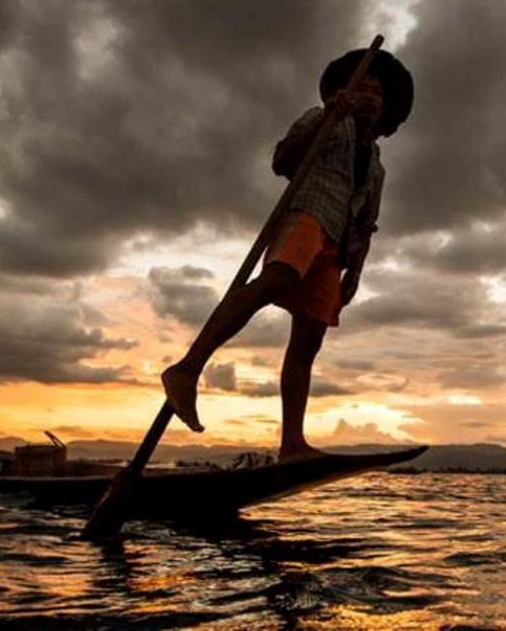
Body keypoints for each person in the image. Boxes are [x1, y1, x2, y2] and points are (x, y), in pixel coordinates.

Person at [161, 48, 414, 460]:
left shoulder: (378, 167)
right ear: (347, 91)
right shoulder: (324, 120)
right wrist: (330, 115)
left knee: (308, 339)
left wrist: (356, 272)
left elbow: (366, 225)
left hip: (336, 249)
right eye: (362, 87)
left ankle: (292, 444)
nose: (369, 96)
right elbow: (284, 161)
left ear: (385, 109)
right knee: (276, 280)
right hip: (307, 216)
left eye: (377, 94)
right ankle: (187, 369)